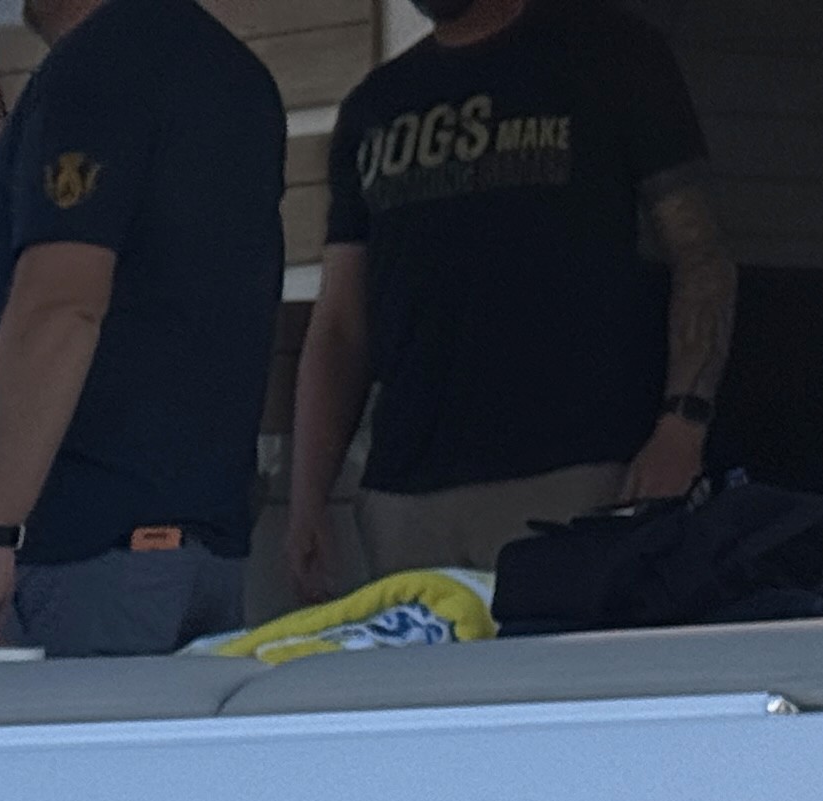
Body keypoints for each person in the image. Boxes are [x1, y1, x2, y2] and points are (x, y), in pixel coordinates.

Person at [287, 0, 731, 596]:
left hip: (576, 480)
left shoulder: (611, 53)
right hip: (403, 499)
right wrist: (307, 496)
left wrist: (683, 426)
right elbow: (341, 324)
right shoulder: (375, 103)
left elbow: (700, 252)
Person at [0, 0, 287, 658]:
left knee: (56, 763)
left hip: (82, 556)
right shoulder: (237, 74)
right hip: (199, 548)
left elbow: (61, 307)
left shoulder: (92, 69)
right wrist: (10, 177)